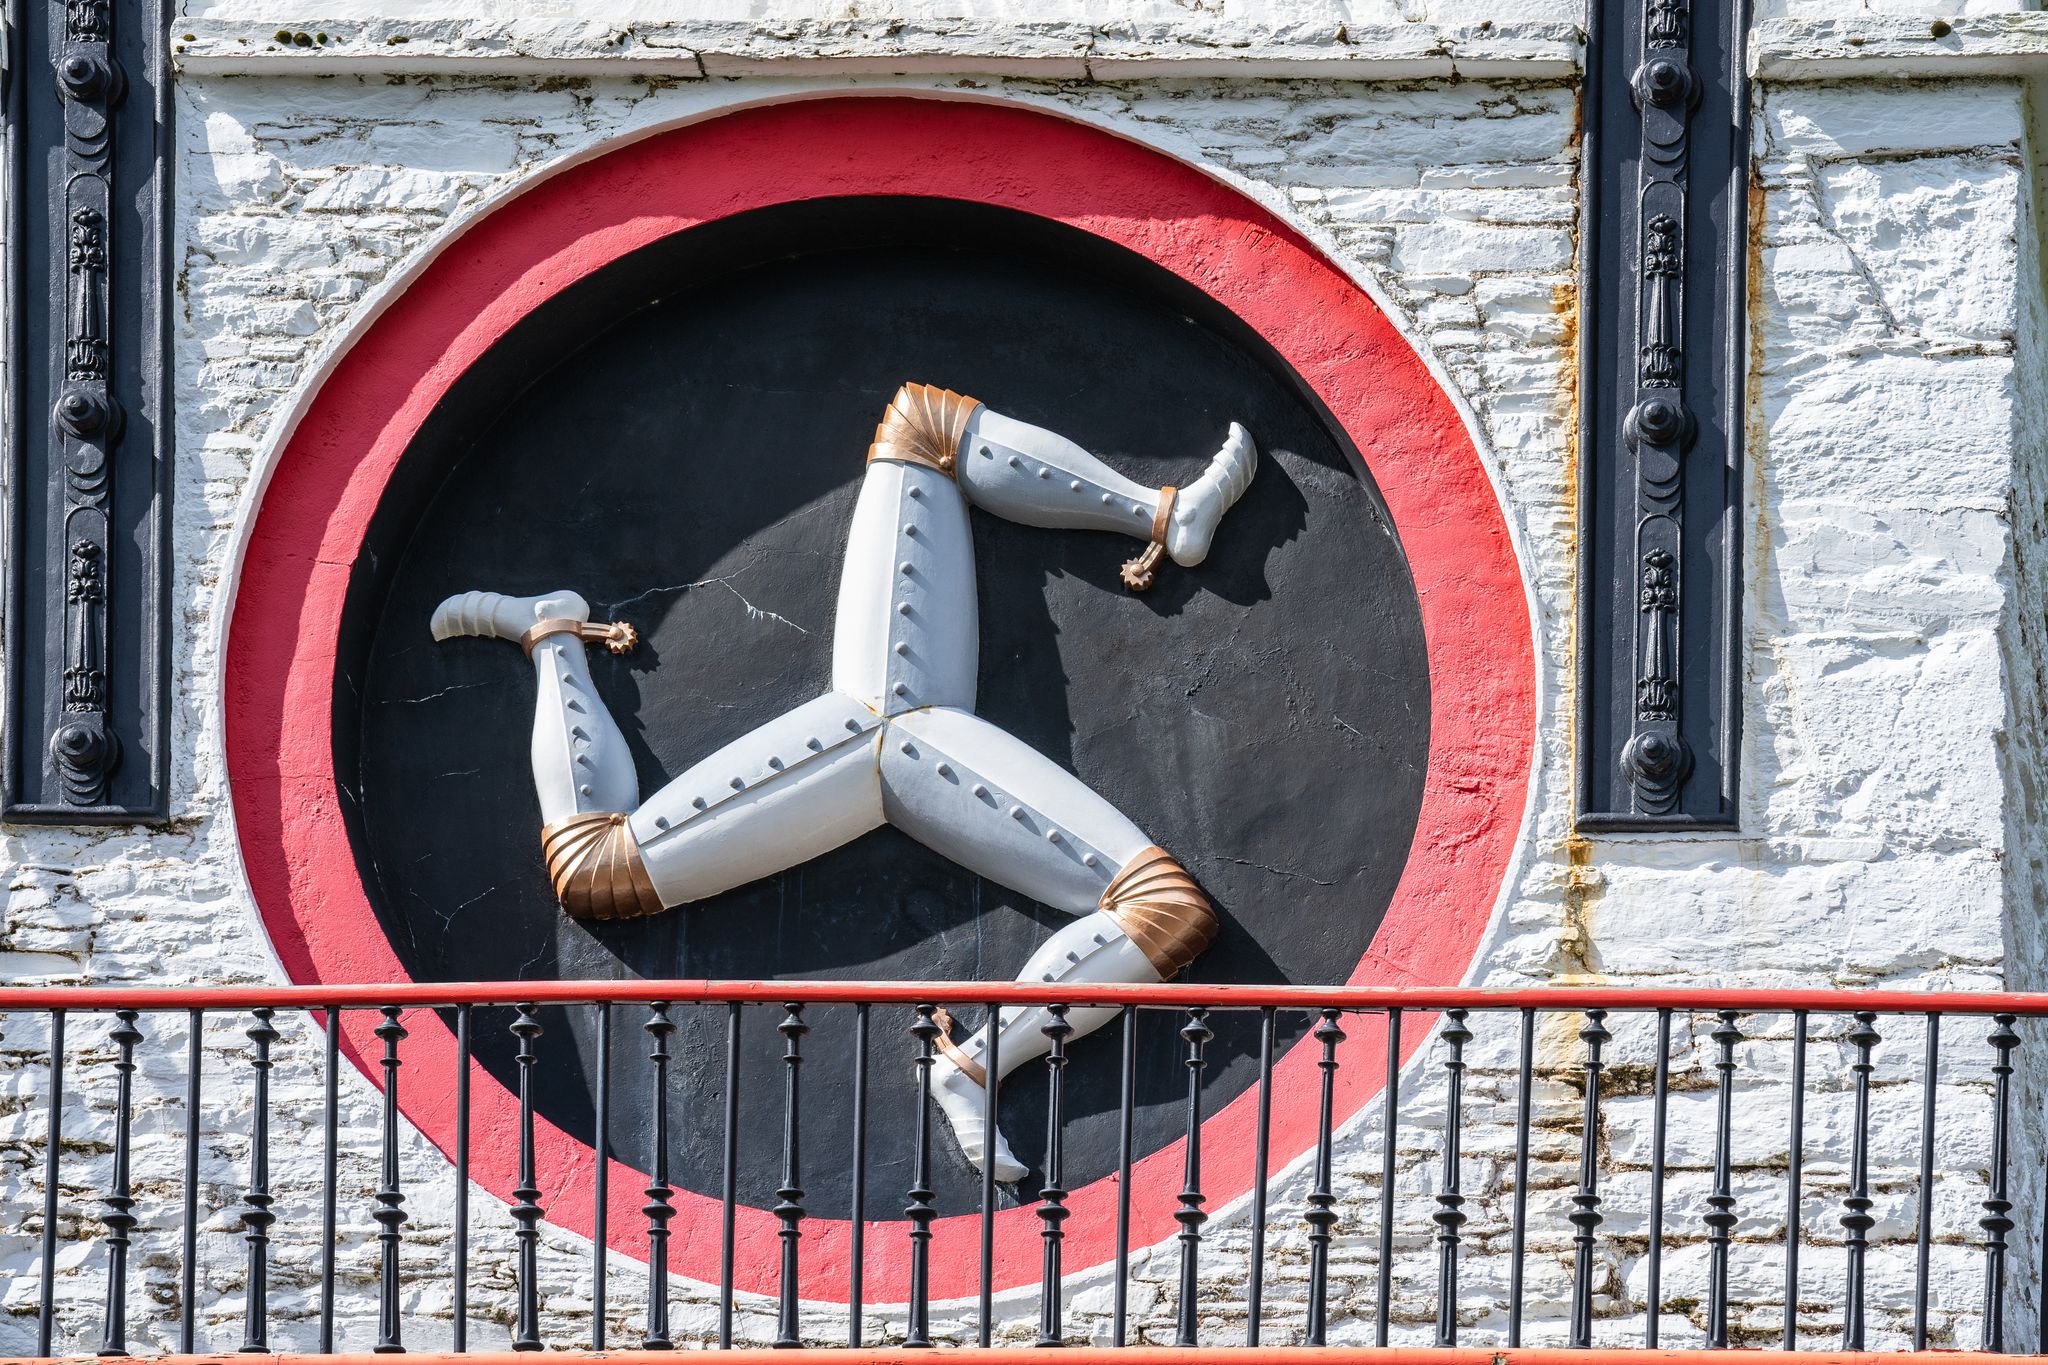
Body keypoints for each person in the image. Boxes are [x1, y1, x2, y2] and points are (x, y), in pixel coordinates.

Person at [431, 383, 1256, 1180]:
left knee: (922, 424)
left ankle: (1167, 514)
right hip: (877, 730)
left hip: (901, 725)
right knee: (921, 423)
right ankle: (552, 630)